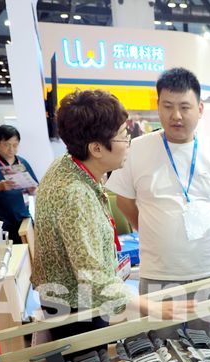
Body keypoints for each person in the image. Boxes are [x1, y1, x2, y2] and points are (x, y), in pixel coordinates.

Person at [32, 89, 191, 341]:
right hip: (77, 307)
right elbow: (92, 275)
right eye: (123, 136)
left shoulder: (67, 165)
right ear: (96, 148)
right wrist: (150, 306)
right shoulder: (75, 194)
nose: (128, 144)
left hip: (70, 298)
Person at [106, 67, 210, 330]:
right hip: (157, 275)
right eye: (168, 106)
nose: (176, 115)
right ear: (158, 107)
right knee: (161, 348)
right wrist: (148, 229)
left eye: (185, 107)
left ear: (200, 109)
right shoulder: (136, 149)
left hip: (209, 272)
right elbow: (123, 201)